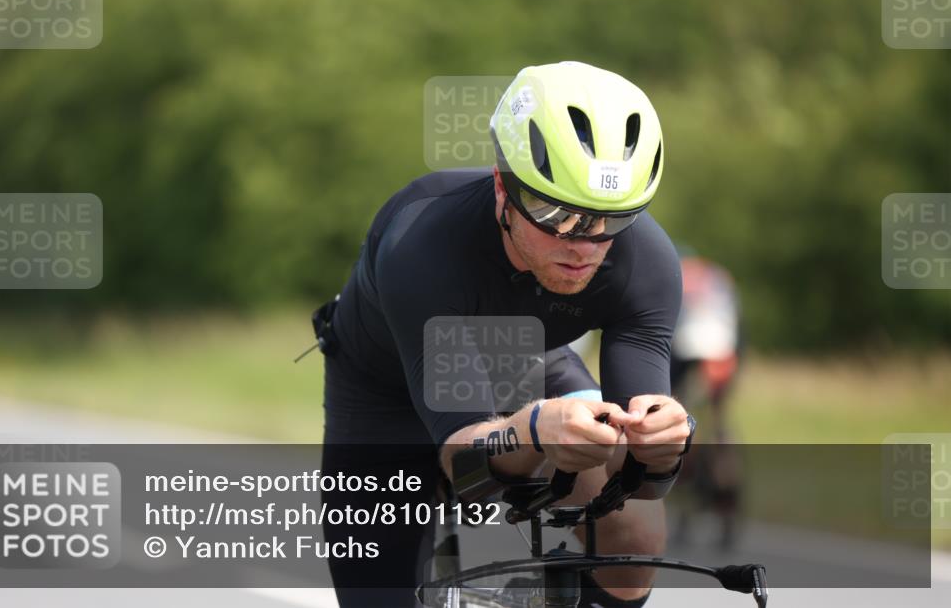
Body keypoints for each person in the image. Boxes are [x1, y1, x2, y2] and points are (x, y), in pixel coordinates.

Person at [318, 61, 695, 607]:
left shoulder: (647, 262)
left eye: (610, 220)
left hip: (525, 362)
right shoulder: (423, 243)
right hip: (386, 392)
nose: (582, 245)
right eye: (554, 213)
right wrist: (535, 429)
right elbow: (468, 469)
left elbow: (642, 480)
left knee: (635, 537)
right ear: (502, 186)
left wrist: (662, 443)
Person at [669, 249, 744, 548]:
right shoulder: (719, 277)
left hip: (687, 350)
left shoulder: (674, 273)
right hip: (723, 352)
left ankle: (687, 513)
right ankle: (726, 512)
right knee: (719, 430)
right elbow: (739, 335)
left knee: (682, 430)